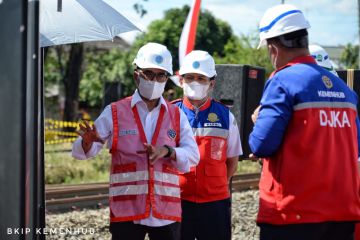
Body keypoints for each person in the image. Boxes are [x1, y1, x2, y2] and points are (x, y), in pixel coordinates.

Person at [249, 4, 360, 240]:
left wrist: (259, 120)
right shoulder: (344, 90)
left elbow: (261, 144)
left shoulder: (283, 81)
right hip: (342, 213)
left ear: (273, 47)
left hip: (294, 214)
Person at [72, 42, 200, 240]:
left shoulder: (177, 115)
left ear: (167, 79)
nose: (155, 80)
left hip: (165, 214)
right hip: (126, 213)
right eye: (149, 73)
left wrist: (168, 151)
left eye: (161, 75)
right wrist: (87, 143)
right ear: (136, 75)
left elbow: (193, 156)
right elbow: (82, 152)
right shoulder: (114, 112)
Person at [173, 50, 242, 240]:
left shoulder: (226, 116)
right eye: (190, 77)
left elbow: (232, 162)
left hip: (215, 204)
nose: (195, 82)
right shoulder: (169, 113)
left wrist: (214, 186)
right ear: (181, 80)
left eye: (201, 78)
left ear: (212, 82)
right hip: (177, 200)